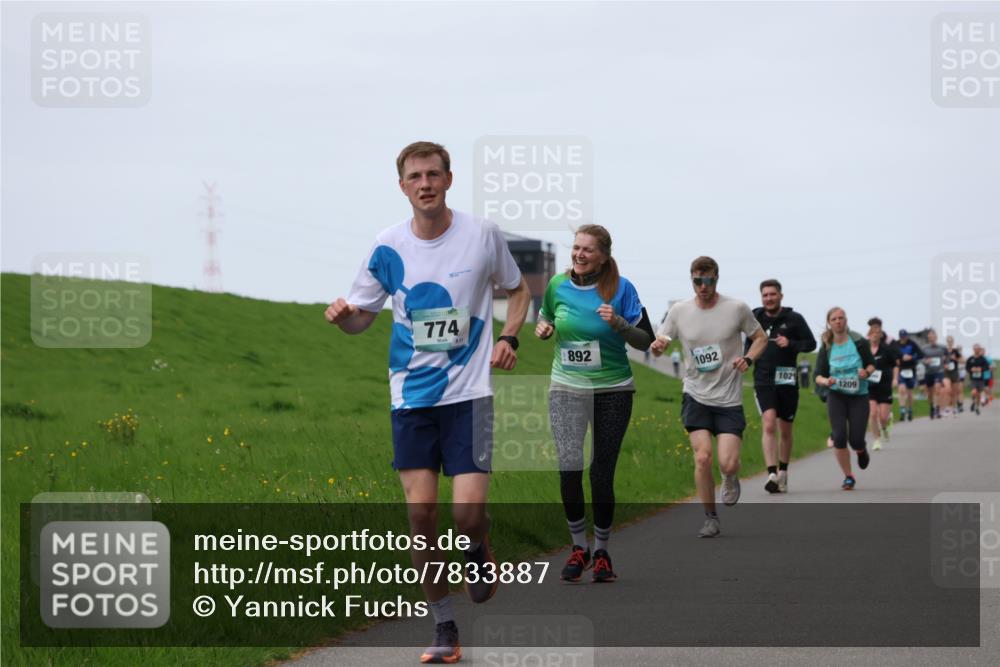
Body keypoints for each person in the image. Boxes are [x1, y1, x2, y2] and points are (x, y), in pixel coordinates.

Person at [326, 141, 531, 664]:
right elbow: (362, 320)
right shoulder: (386, 246)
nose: (425, 184)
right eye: (415, 176)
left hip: (470, 395)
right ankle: (444, 628)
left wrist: (509, 337)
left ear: (449, 179)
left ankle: (477, 548)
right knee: (421, 516)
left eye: (434, 174)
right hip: (411, 397)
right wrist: (343, 314)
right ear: (402, 186)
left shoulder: (481, 235)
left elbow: (519, 290)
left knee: (466, 514)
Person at [535, 225, 654, 583]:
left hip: (613, 390)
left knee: (601, 473)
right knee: (569, 469)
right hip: (566, 387)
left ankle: (601, 551)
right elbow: (545, 315)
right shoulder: (557, 286)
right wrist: (544, 328)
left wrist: (618, 322)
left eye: (588, 250)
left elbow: (645, 341)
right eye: (576, 248)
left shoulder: (621, 288)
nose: (579, 254)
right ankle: (578, 548)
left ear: (603, 255)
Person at [651, 256, 767, 537]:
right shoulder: (679, 311)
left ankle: (729, 477)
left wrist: (748, 359)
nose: (703, 286)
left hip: (728, 398)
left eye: (709, 280)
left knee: (727, 462)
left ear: (717, 278)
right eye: (697, 281)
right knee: (702, 458)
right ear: (691, 280)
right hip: (695, 394)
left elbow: (760, 337)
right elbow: (663, 340)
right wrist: (658, 347)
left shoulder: (736, 308)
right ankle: (710, 517)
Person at [747, 279, 817, 494]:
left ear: (780, 296)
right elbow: (747, 344)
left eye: (772, 294)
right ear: (761, 297)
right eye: (765, 295)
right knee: (768, 423)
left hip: (787, 380)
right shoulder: (755, 317)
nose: (769, 298)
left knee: (785, 429)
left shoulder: (794, 319)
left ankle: (784, 472)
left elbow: (811, 344)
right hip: (763, 379)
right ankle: (771, 474)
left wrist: (792, 344)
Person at [814, 307, 877, 490]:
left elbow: (872, 364)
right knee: (839, 437)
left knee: (856, 438)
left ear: (846, 320)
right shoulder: (826, 345)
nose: (838, 321)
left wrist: (866, 372)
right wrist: (827, 381)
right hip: (836, 395)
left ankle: (860, 449)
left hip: (859, 395)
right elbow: (817, 375)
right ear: (829, 322)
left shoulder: (858, 341)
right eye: (834, 319)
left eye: (841, 318)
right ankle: (848, 476)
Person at [866, 317, 899, 451]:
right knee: (873, 414)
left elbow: (895, 365)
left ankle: (885, 426)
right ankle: (876, 439)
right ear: (869, 335)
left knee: (883, 417)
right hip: (870, 387)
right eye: (872, 334)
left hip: (884, 386)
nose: (875, 336)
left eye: (877, 334)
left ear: (880, 335)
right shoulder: (865, 350)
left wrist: (895, 379)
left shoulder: (886, 349)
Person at [893, 329, 923, 421]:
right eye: (902, 337)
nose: (903, 338)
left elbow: (921, 354)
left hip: (911, 370)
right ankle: (902, 411)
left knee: (909, 392)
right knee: (901, 390)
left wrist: (912, 357)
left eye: (905, 336)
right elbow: (892, 355)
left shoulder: (912, 344)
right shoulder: (896, 344)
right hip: (900, 369)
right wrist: (898, 359)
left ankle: (910, 410)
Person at [921, 330, 948, 419]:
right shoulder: (924, 348)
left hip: (939, 371)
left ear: (936, 337)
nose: (931, 339)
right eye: (929, 337)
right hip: (928, 372)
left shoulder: (942, 347)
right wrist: (925, 361)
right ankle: (932, 406)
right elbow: (921, 359)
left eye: (933, 337)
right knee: (930, 392)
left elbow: (948, 356)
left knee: (937, 388)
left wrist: (946, 363)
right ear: (928, 339)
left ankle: (937, 408)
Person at [966, 344, 989, 415]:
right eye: (975, 348)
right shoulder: (970, 359)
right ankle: (973, 401)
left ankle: (977, 407)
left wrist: (981, 369)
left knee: (979, 395)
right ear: (973, 349)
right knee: (973, 392)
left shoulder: (983, 359)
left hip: (981, 379)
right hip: (973, 379)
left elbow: (987, 367)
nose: (976, 350)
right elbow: (967, 368)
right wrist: (971, 370)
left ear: (979, 349)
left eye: (978, 349)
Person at [944, 336, 963, 417]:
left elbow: (962, 360)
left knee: (954, 392)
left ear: (953, 342)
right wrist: (944, 365)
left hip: (954, 372)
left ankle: (954, 407)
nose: (950, 342)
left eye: (951, 341)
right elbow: (940, 360)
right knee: (948, 390)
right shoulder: (944, 351)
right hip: (946, 372)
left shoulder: (955, 351)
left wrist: (955, 359)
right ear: (947, 341)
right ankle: (948, 407)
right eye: (948, 341)